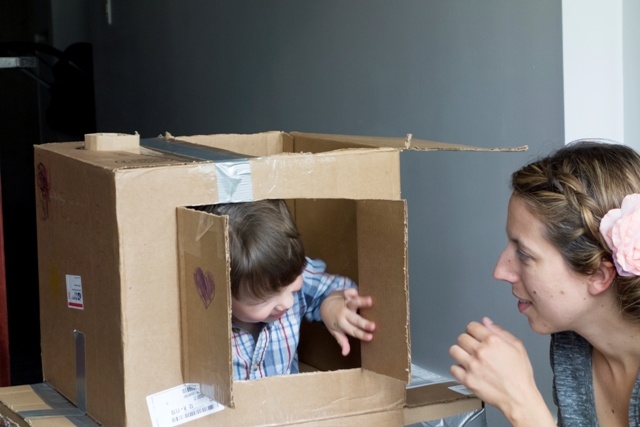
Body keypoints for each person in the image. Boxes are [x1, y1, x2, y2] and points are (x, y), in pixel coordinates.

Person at [449, 140, 640, 426]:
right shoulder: (573, 345)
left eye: (523, 254)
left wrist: (521, 403)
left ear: (598, 276)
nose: (500, 271)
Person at [203, 199, 375, 381]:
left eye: (291, 285)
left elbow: (331, 287)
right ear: (221, 293)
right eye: (264, 299)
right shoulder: (205, 324)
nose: (288, 302)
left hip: (289, 405)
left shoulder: (289, 271)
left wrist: (331, 305)